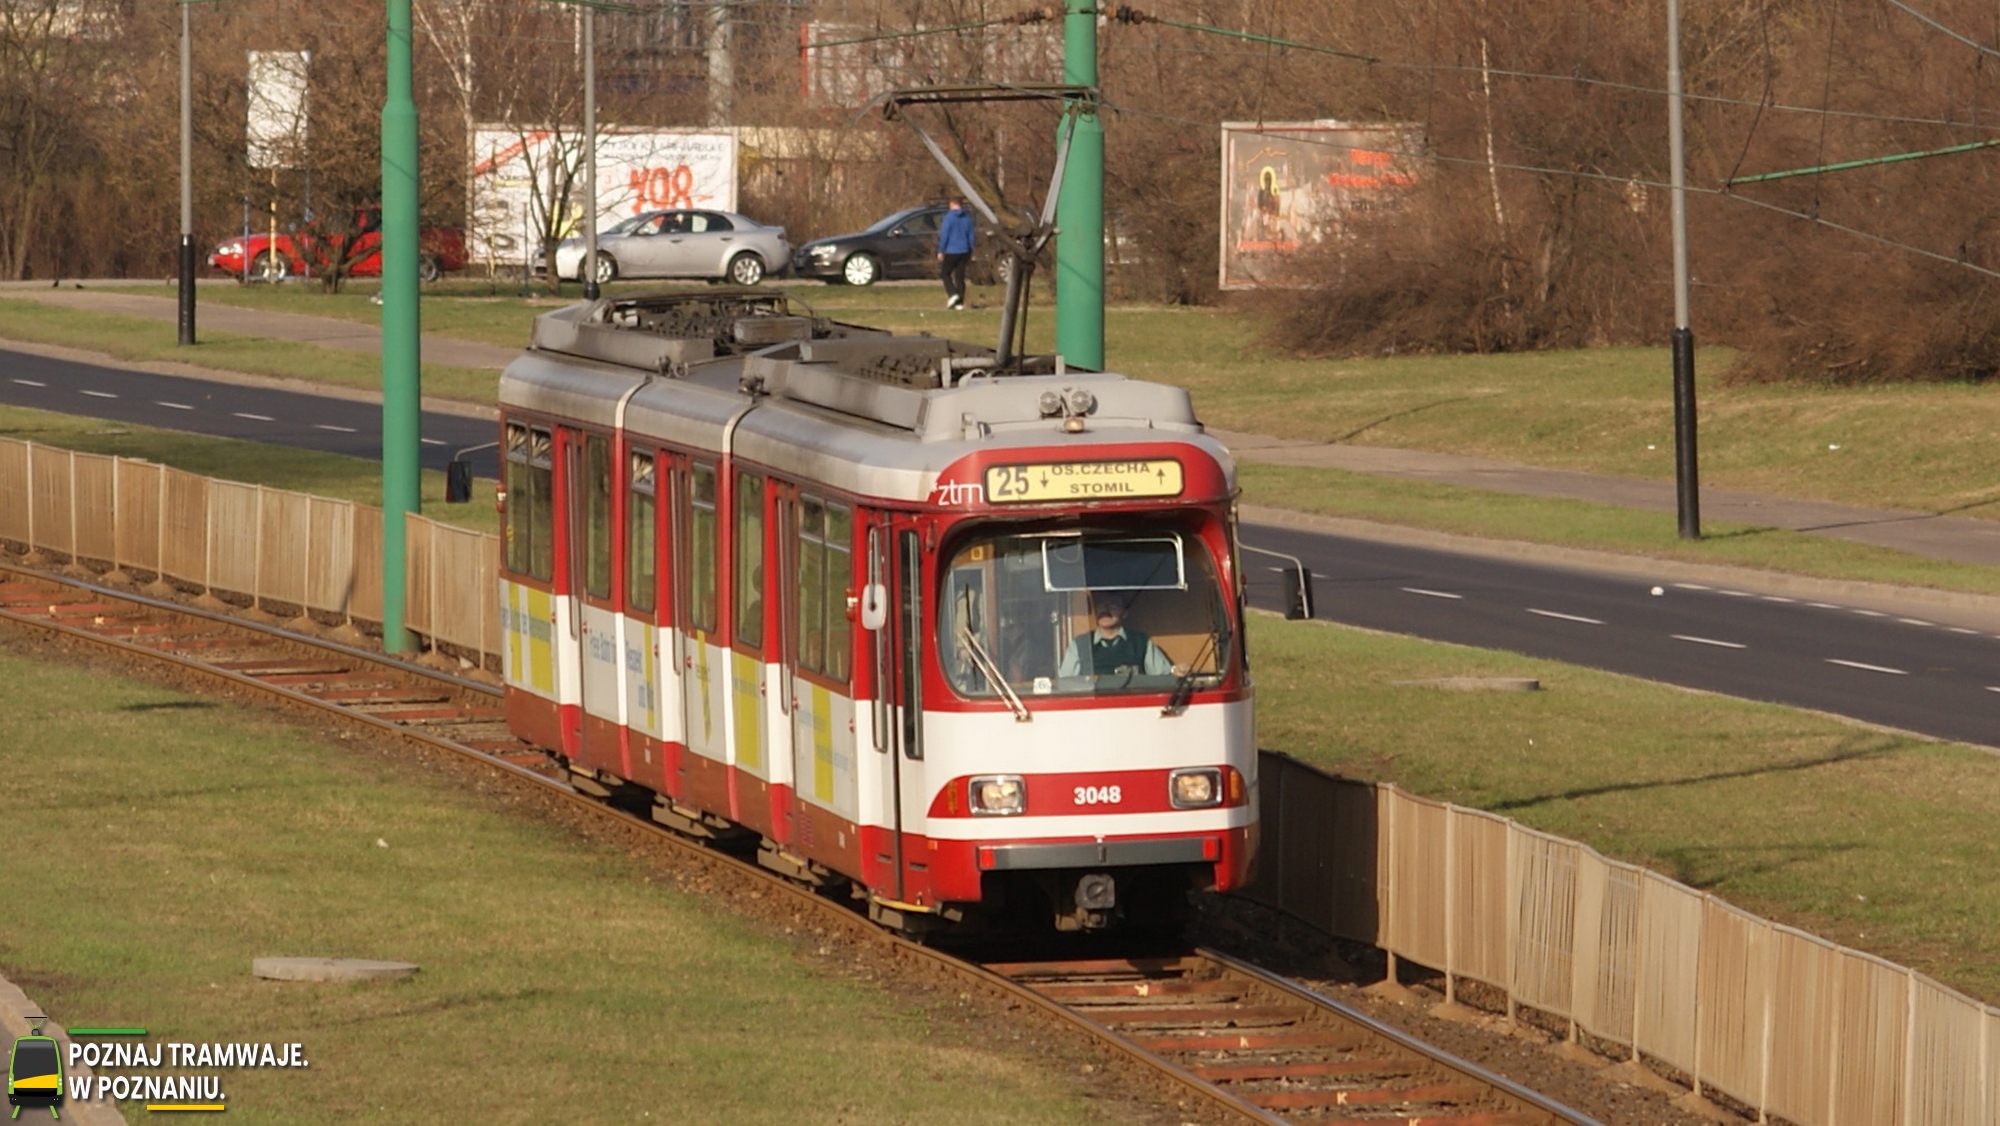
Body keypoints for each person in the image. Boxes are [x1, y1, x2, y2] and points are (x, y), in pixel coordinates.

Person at [1058, 594, 1174, 678]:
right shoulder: (1079, 645)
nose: (1105, 611)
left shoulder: (1141, 642)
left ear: (1124, 613)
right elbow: (1065, 683)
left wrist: (1177, 672)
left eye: (1112, 606)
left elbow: (1164, 676)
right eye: (1101, 606)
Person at [936, 196, 975, 309]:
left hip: (951, 250)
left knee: (945, 273)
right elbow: (971, 235)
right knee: (960, 276)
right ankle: (960, 303)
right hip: (965, 250)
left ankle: (953, 294)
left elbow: (945, 235)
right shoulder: (967, 218)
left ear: (952, 204)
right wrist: (971, 249)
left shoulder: (948, 218)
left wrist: (941, 250)